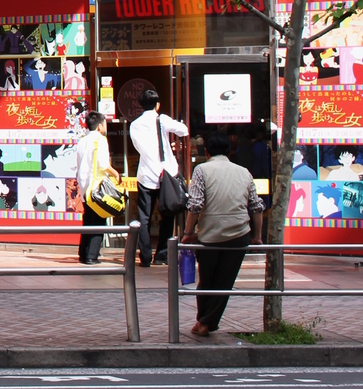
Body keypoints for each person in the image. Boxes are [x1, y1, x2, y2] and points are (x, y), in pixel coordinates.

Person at [181, 131, 265, 336]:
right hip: (239, 234)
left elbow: (195, 205)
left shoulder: (202, 170)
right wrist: (257, 236)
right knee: (225, 281)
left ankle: (204, 321)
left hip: (210, 235)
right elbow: (256, 207)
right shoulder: (244, 172)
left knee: (207, 280)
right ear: (230, 151)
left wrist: (188, 232)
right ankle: (206, 322)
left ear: (207, 151)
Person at [129, 88, 189, 266]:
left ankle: (145, 257)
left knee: (144, 218)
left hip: (146, 175)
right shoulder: (161, 119)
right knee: (168, 214)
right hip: (165, 176)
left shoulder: (135, 124)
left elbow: (139, 148)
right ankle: (161, 255)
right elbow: (183, 130)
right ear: (157, 105)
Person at [74, 111, 117, 264]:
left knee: (88, 219)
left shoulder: (82, 141)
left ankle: (83, 254)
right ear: (99, 126)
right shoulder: (101, 140)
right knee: (99, 219)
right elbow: (104, 164)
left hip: (85, 186)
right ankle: (92, 255)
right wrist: (115, 173)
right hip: (97, 186)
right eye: (104, 123)